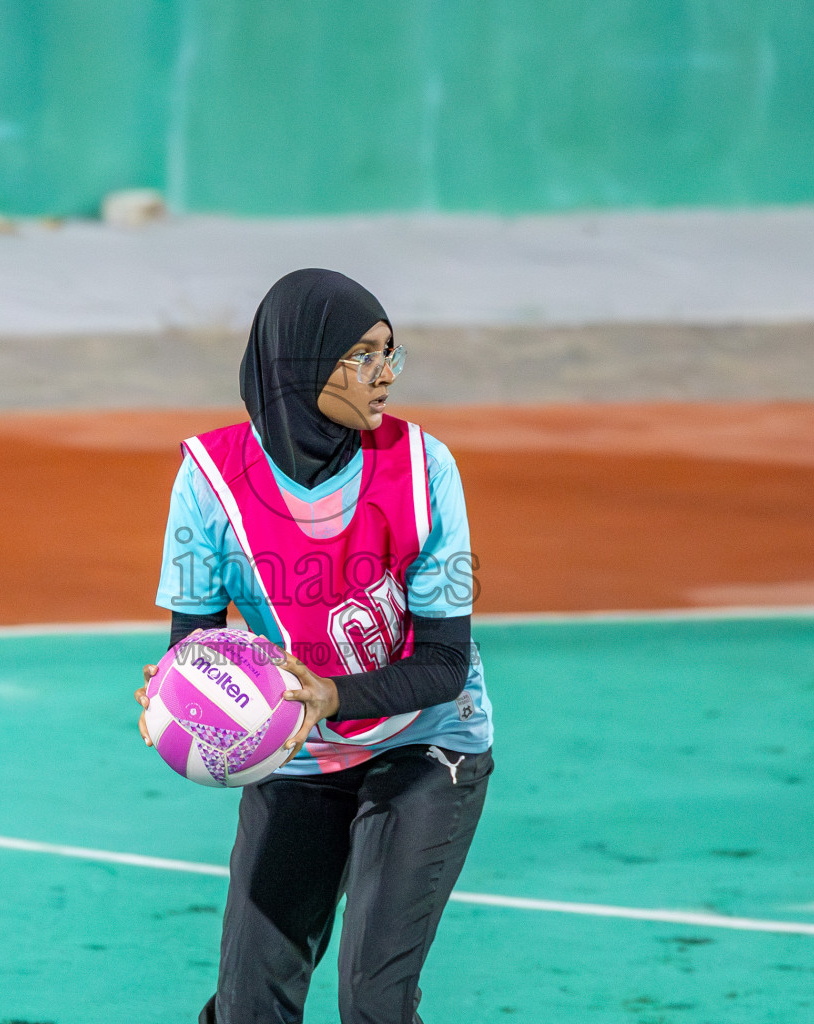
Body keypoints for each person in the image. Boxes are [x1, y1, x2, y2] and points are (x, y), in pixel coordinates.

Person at [136, 268, 494, 1024]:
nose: (386, 375)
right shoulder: (210, 481)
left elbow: (442, 663)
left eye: (392, 353)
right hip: (295, 752)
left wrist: (333, 696)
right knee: (248, 1007)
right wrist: (174, 693)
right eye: (364, 355)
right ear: (301, 361)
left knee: (373, 1002)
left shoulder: (425, 469)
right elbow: (193, 643)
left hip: (427, 747)